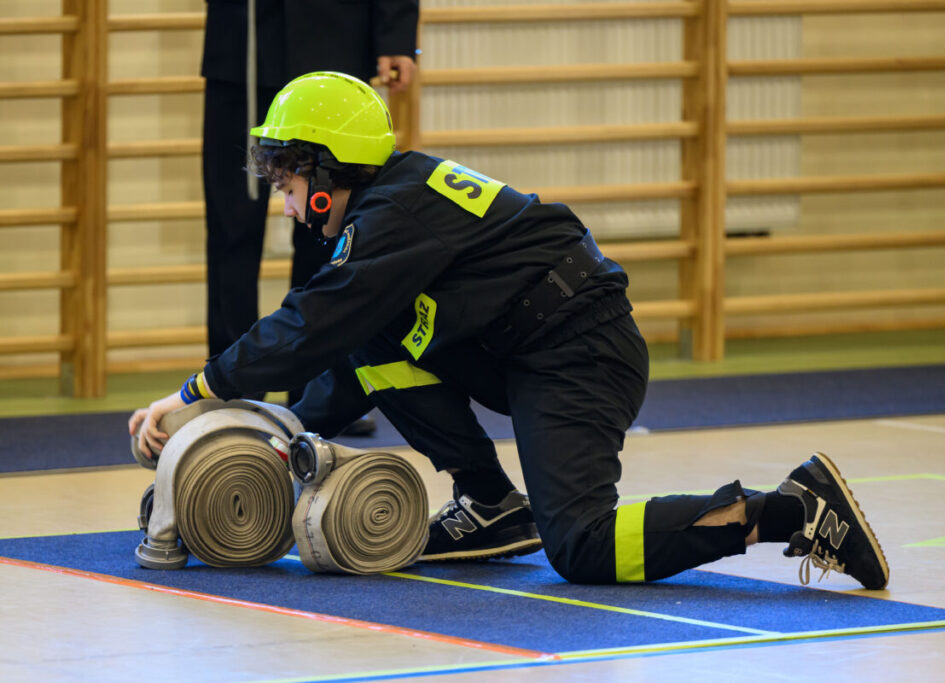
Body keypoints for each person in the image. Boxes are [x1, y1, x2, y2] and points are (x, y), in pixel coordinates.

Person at [131, 72, 889, 589]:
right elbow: (343, 347)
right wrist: (273, 429)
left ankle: (792, 507)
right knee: (371, 336)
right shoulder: (392, 205)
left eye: (291, 187)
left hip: (581, 353)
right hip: (525, 347)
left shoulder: (395, 214)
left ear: (326, 170)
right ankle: (491, 501)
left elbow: (311, 322)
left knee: (583, 548)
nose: (288, 207)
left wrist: (197, 395)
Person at [200, 0, 418, 432]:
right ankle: (236, 393)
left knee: (329, 225)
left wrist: (395, 34)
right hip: (243, 44)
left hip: (332, 42)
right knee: (231, 230)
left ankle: (317, 391)